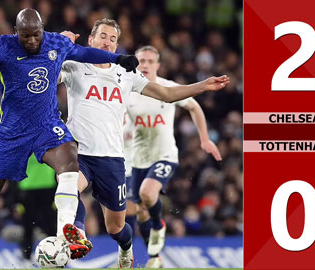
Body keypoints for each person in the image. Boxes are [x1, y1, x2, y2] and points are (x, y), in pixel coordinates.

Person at [0, 9, 140, 269]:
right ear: (16, 32)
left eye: (36, 35)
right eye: (26, 36)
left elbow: (84, 53)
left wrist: (118, 58)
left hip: (47, 125)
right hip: (12, 132)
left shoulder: (55, 42)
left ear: (42, 30)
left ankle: (65, 230)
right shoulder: (1, 46)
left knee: (69, 163)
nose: (32, 41)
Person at [59, 19, 229, 268]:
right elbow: (47, 73)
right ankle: (79, 235)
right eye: (103, 36)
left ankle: (126, 248)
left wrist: (203, 86)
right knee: (68, 188)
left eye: (113, 38)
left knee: (116, 227)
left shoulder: (126, 73)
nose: (107, 42)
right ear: (91, 41)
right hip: (78, 153)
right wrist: (59, 42)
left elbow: (167, 94)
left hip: (112, 159)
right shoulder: (73, 66)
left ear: (117, 45)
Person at [126, 45, 222, 268]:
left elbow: (195, 107)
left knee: (147, 194)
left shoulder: (168, 87)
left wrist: (205, 139)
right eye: (141, 60)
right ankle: (154, 257)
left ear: (158, 65)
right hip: (138, 159)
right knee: (140, 213)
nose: (146, 65)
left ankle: (159, 225)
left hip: (165, 155)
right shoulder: (127, 91)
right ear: (135, 63)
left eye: (151, 61)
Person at [16, 154, 56, 264]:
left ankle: (55, 255)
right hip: (27, 189)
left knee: (51, 226)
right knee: (28, 226)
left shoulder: (51, 139)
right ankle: (26, 257)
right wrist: (15, 198)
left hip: (48, 188)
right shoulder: (23, 140)